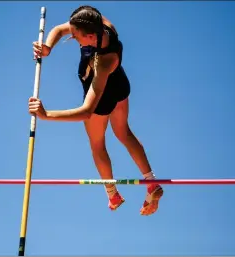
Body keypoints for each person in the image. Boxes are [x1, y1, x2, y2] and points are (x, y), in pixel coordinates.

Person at [28, 5, 163, 216]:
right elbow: (60, 29)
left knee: (97, 144)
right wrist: (47, 47)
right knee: (123, 133)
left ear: (90, 36)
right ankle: (152, 182)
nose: (72, 38)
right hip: (120, 85)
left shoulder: (104, 61)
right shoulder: (99, 24)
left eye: (75, 37)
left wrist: (46, 115)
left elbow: (87, 111)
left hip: (102, 97)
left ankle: (113, 194)